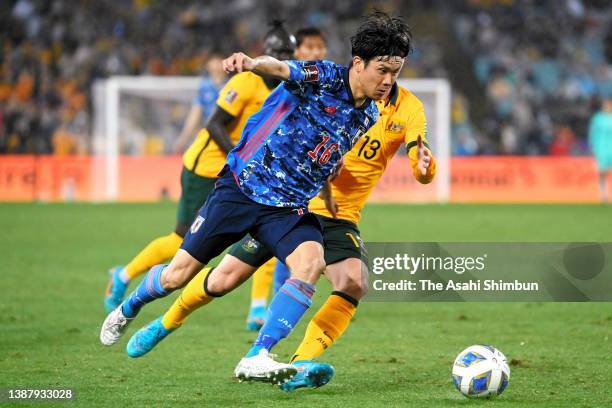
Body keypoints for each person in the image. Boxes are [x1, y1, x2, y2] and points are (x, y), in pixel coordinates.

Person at [100, 11, 411, 385]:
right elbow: (281, 69)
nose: (388, 81)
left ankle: (257, 354)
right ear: (358, 63)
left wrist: (329, 178)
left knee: (310, 262)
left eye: (396, 72)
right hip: (242, 190)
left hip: (287, 209)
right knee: (177, 276)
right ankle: (131, 305)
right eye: (383, 70)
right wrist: (250, 63)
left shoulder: (369, 115)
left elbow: (327, 152)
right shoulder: (326, 76)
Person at [127, 81, 435, 392]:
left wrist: (425, 168)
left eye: (392, 66)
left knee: (354, 282)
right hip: (287, 206)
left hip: (339, 216)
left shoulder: (409, 108)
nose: (385, 75)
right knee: (223, 279)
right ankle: (167, 322)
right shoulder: (336, 95)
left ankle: (299, 362)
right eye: (380, 65)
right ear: (362, 64)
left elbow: (419, 159)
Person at [102, 23, 295, 313]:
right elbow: (215, 123)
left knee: (259, 232)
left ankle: (257, 306)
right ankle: (124, 275)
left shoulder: (286, 88)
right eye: (278, 51)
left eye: (287, 53)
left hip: (239, 173)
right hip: (206, 168)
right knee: (181, 238)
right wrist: (239, 154)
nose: (282, 56)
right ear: (266, 53)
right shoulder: (245, 83)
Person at [247, 26, 329, 331]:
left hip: (304, 179)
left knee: (293, 248)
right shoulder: (285, 83)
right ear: (298, 52)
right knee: (260, 243)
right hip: (266, 175)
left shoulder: (327, 85)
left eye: (320, 47)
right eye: (309, 47)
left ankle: (267, 307)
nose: (315, 53)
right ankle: (259, 306)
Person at [589, 95, 612, 202]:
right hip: (601, 148)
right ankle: (603, 194)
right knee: (602, 172)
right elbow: (592, 133)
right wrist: (593, 147)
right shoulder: (597, 118)